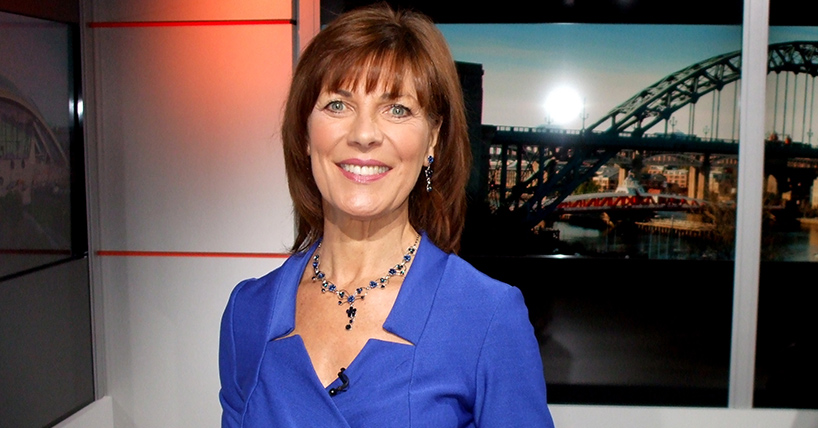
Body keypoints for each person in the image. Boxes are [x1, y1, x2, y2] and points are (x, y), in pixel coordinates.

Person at [219, 4, 556, 427]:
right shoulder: (248, 312)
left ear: (432, 139)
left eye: (397, 109)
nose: (364, 134)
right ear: (304, 131)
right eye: (338, 105)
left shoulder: (487, 316)